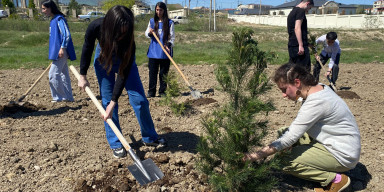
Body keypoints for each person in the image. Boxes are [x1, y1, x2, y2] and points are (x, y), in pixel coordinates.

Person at [243, 63, 361, 192]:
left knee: (283, 160)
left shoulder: (316, 102)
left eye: (284, 89)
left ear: (297, 83)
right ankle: (307, 161)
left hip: (343, 154)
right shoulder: (319, 87)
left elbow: (288, 139)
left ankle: (336, 180)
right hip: (337, 142)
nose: (283, 95)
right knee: (283, 131)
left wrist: (253, 156)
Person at [78, 5, 166, 159]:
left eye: (125, 32)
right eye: (119, 32)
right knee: (107, 103)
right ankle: (116, 142)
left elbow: (123, 74)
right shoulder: (96, 26)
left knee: (140, 100)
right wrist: (83, 75)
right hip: (103, 59)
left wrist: (115, 100)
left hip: (125, 62)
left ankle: (149, 137)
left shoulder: (129, 42)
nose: (121, 36)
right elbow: (87, 47)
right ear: (111, 26)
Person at [42, 0, 76, 102]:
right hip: (58, 51)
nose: (43, 11)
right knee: (63, 74)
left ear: (50, 8)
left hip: (61, 51)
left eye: (44, 8)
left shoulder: (59, 19)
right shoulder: (53, 20)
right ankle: (69, 97)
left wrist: (62, 48)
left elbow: (66, 35)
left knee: (53, 74)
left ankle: (60, 97)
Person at [145, 2, 175, 97]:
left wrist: (168, 44)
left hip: (165, 52)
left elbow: (172, 36)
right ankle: (151, 91)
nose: (158, 12)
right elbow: (146, 34)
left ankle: (162, 91)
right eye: (157, 10)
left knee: (163, 73)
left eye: (160, 10)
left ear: (164, 11)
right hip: (154, 51)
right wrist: (149, 32)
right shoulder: (152, 22)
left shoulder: (170, 23)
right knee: (152, 73)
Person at [287, 0, 314, 72]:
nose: (308, 10)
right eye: (309, 8)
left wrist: (307, 43)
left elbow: (292, 30)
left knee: (293, 70)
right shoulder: (300, 11)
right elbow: (297, 28)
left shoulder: (293, 11)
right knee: (304, 71)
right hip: (298, 47)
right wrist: (301, 45)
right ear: (307, 3)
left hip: (292, 45)